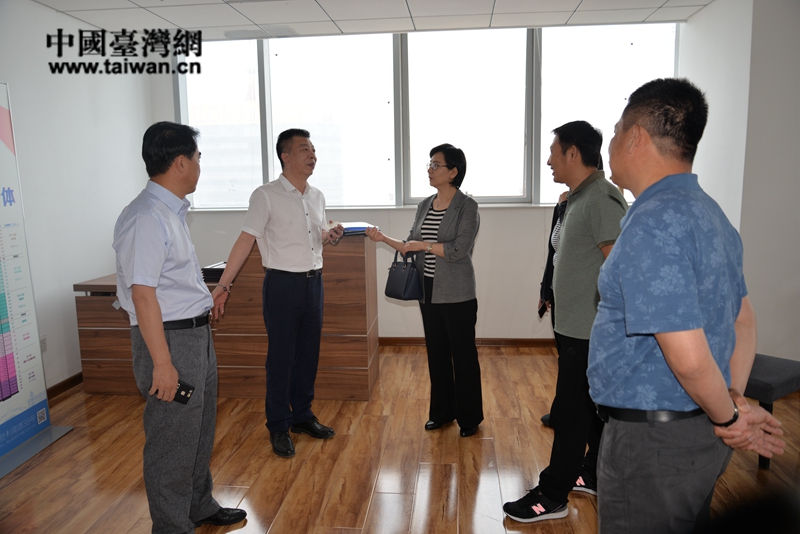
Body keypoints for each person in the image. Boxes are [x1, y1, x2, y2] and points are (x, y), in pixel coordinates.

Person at [587, 78, 785, 533]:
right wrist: (732, 402)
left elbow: (690, 358)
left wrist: (731, 418)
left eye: (616, 131)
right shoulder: (710, 213)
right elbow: (744, 319)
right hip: (699, 433)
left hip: (653, 446)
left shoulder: (652, 224)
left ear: (635, 137)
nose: (611, 144)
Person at [112, 121, 246, 533]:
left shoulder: (170, 213)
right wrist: (163, 364)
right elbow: (143, 296)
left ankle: (198, 505)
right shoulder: (147, 217)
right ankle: (171, 526)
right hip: (168, 343)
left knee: (198, 430)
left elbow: (171, 283)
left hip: (193, 336)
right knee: (172, 440)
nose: (201, 165)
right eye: (198, 157)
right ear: (181, 163)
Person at [504, 121, 627, 523]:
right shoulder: (578, 197)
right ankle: (592, 473)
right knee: (587, 409)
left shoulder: (602, 198)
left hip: (589, 329)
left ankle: (552, 495)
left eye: (553, 152)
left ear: (573, 153)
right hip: (572, 324)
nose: (548, 160)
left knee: (571, 413)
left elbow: (620, 268)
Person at [210, 128, 343, 458]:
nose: (312, 155)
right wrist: (223, 285)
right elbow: (246, 240)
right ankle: (279, 425)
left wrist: (328, 234)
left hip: (314, 283)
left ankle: (302, 416)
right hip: (282, 285)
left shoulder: (316, 196)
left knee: (308, 354)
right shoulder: (265, 195)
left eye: (313, 149)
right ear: (285, 156)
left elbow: (311, 237)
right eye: (304, 149)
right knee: (282, 358)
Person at [366, 143, 482, 437]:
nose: (430, 170)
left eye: (435, 165)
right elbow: (409, 245)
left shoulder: (467, 207)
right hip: (427, 289)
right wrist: (383, 238)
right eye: (429, 164)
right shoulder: (424, 205)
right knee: (437, 353)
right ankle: (442, 412)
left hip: (457, 292)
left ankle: (469, 417)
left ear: (453, 171)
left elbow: (459, 250)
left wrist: (425, 246)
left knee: (463, 355)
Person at [539, 189, 568, 429]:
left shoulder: (590, 202)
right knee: (564, 355)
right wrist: (546, 290)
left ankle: (566, 414)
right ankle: (562, 411)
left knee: (572, 358)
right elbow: (554, 250)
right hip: (558, 287)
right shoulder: (563, 200)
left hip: (575, 294)